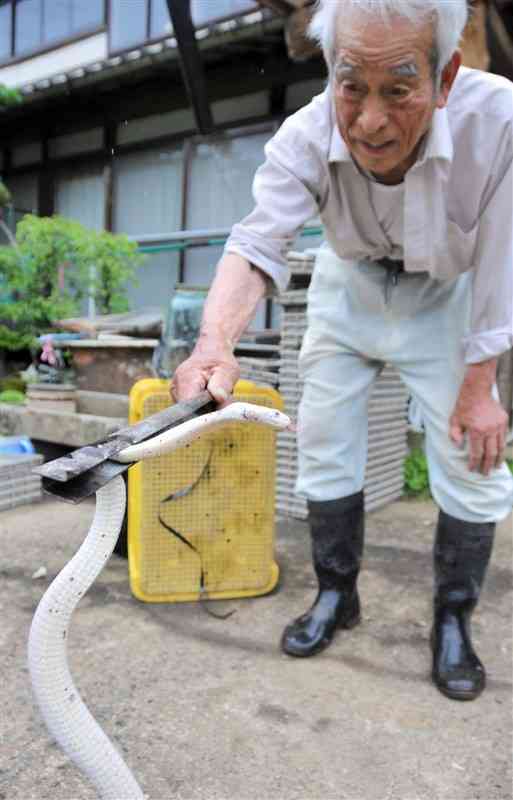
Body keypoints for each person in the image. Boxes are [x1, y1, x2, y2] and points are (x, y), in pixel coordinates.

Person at [172, 0, 513, 701]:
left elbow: (506, 258)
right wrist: (215, 344)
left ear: (445, 75)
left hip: (448, 294)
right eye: (350, 85)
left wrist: (481, 384)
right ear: (330, 68)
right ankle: (336, 593)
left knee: (468, 458)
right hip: (346, 284)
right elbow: (256, 241)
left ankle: (452, 617)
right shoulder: (303, 134)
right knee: (322, 438)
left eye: (399, 88)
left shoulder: (499, 121)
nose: (368, 121)